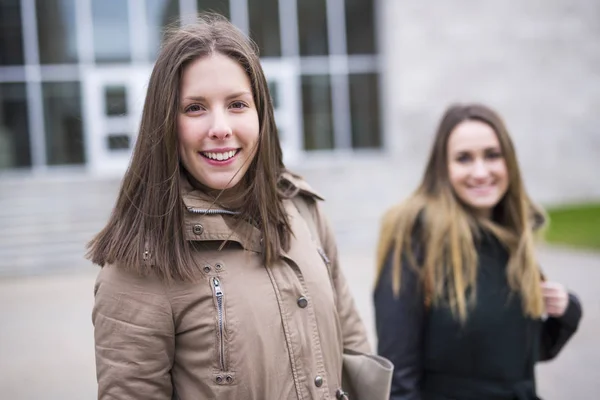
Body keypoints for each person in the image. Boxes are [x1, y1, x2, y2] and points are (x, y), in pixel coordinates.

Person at [89, 14, 369, 400]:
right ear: (164, 123)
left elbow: (353, 348)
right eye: (195, 108)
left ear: (261, 114)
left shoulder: (304, 212)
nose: (220, 127)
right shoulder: (138, 264)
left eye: (237, 104)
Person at [373, 103, 582, 400]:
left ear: (509, 161)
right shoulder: (415, 240)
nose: (481, 172)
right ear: (443, 169)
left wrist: (567, 312)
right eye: (464, 159)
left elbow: (519, 358)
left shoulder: (513, 238)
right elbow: (399, 376)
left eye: (492, 155)